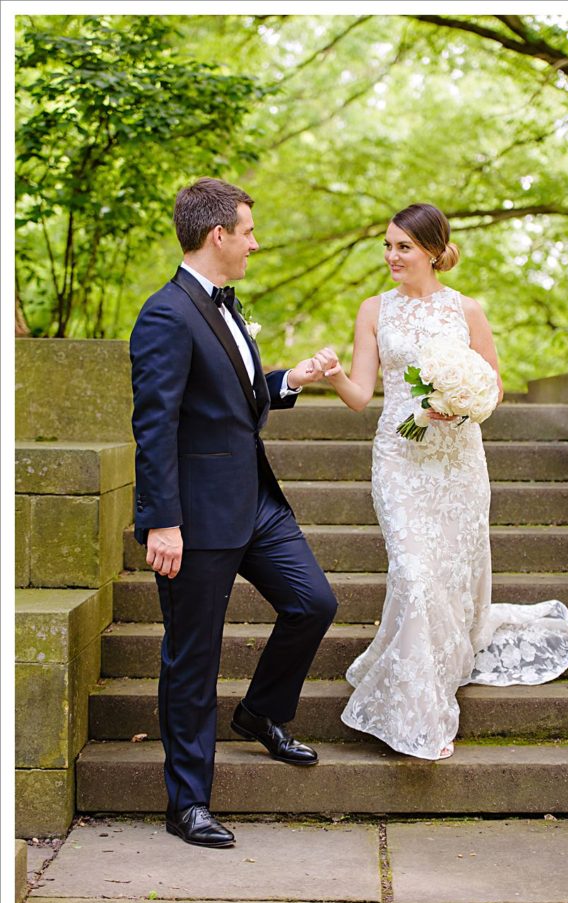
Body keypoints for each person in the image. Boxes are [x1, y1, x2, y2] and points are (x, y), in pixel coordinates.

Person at [321, 202, 568, 760]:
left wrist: (458, 409)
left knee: (445, 579)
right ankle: (420, 716)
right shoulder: (373, 310)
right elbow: (361, 396)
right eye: (388, 246)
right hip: (399, 459)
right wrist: (335, 374)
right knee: (416, 574)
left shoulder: (467, 310)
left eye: (403, 247)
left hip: (458, 462)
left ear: (434, 252)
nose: (392, 256)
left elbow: (493, 389)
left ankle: (437, 670)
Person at [130, 177, 338, 848]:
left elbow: (236, 397)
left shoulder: (224, 303)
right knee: (193, 658)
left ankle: (260, 713)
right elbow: (155, 424)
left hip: (256, 504)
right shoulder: (166, 313)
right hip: (194, 516)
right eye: (247, 231)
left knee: (314, 603)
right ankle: (187, 804)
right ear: (218, 235)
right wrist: (162, 519)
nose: (255, 242)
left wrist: (289, 381)